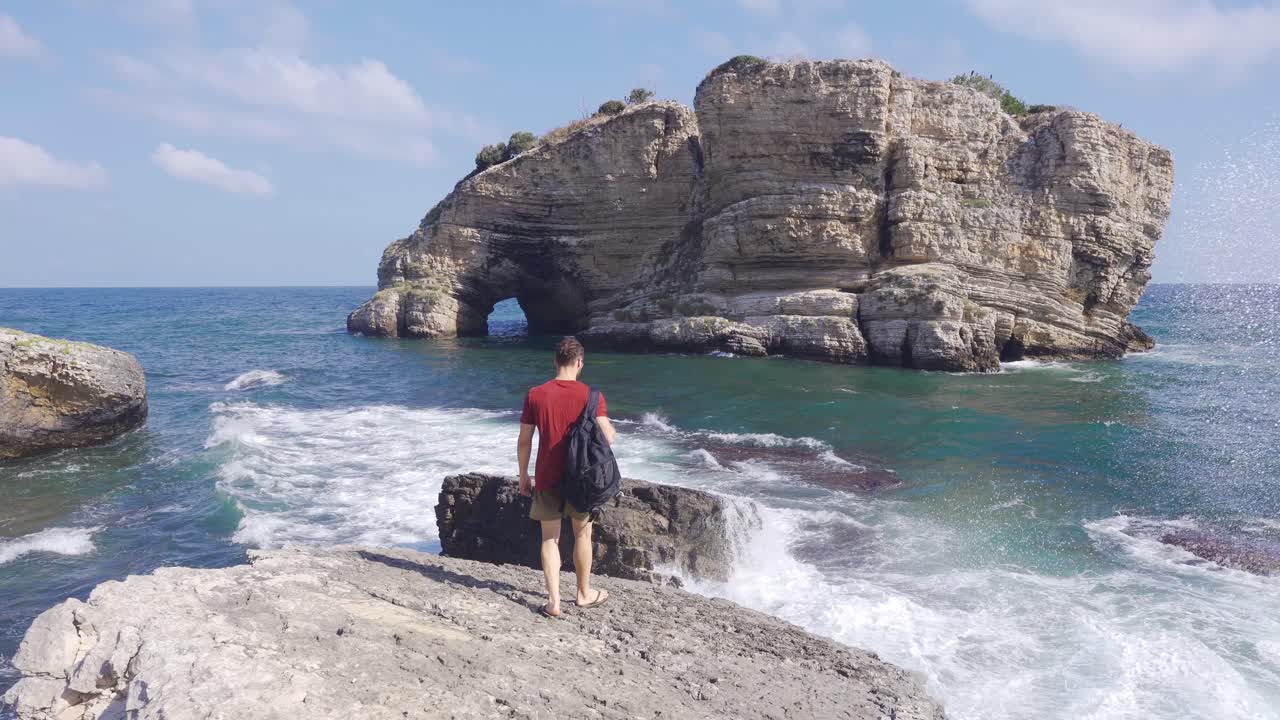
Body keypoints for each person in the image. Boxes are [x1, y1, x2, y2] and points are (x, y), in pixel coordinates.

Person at [517, 336, 617, 618]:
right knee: (582, 533)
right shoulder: (591, 396)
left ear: (555, 361)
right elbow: (607, 436)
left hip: (547, 476)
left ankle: (554, 602)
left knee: (550, 538)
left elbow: (525, 440)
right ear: (579, 363)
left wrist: (523, 474)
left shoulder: (535, 394)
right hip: (582, 479)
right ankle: (584, 594)